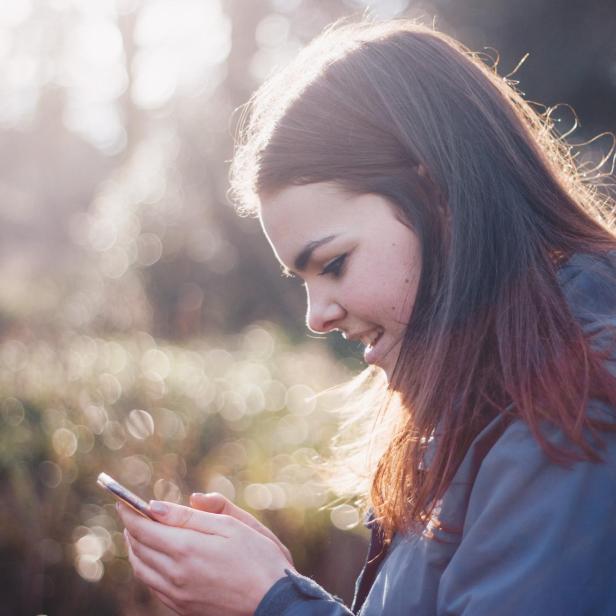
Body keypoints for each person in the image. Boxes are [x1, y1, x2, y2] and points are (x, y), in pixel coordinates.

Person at [117, 19, 616, 615]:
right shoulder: (489, 397)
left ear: (439, 198)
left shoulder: (576, 403)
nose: (316, 317)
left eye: (332, 264)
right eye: (302, 281)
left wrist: (271, 603)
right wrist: (278, 588)